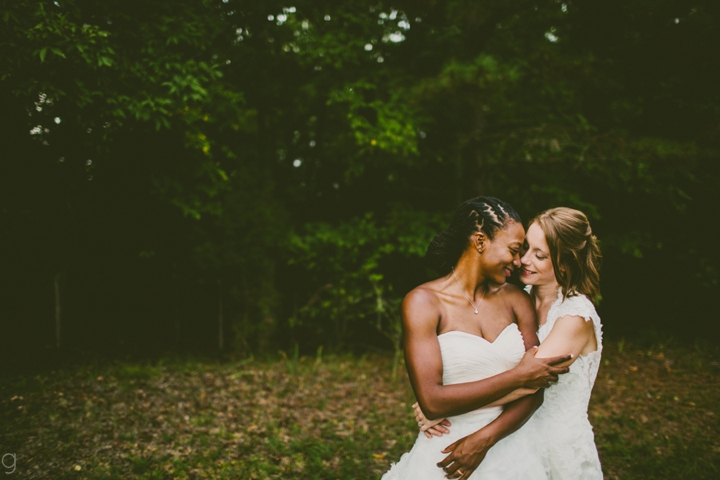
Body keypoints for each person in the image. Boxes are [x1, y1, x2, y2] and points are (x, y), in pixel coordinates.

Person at [382, 197, 573, 480]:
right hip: (446, 453)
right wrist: (519, 375)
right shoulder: (423, 302)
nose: (519, 262)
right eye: (514, 250)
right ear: (480, 241)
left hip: (512, 449)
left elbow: (537, 390)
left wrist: (483, 440)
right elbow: (433, 402)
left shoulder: (516, 300)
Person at [414, 207, 604, 479]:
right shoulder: (518, 299)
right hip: (517, 437)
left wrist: (445, 407)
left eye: (539, 255)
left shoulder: (574, 317)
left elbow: (528, 382)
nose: (523, 260)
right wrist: (436, 400)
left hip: (556, 444)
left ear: (563, 264)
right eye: (525, 248)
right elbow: (502, 371)